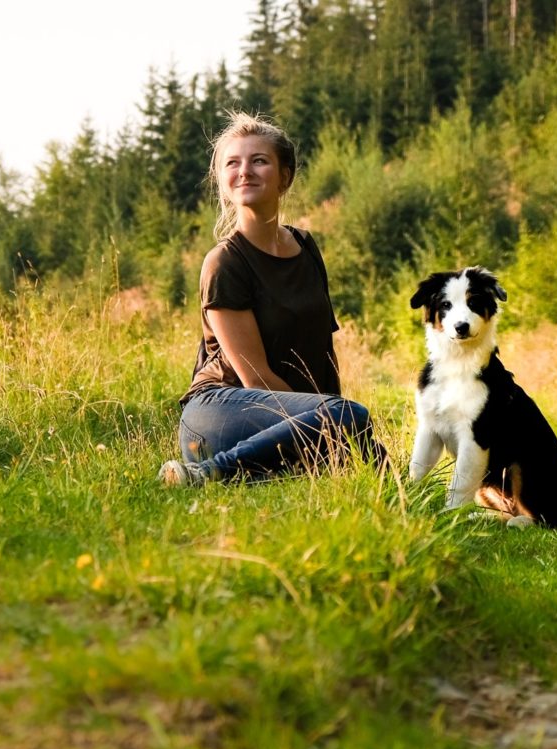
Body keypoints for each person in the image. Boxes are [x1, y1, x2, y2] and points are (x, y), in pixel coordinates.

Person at [158, 112, 388, 487]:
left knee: (376, 465)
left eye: (259, 160)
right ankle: (206, 472)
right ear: (222, 179)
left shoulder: (306, 247)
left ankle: (269, 471)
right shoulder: (225, 262)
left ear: (284, 176)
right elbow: (255, 378)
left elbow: (321, 355)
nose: (245, 171)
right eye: (233, 163)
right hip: (221, 411)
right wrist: (330, 421)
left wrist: (333, 427)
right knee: (347, 417)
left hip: (292, 417)